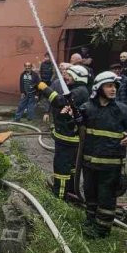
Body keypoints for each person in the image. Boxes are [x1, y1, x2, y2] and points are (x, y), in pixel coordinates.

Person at [79, 71, 127, 238]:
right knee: (90, 194)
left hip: (111, 165)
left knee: (106, 198)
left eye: (114, 86)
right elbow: (73, 126)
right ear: (99, 88)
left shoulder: (121, 110)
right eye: (109, 86)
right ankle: (90, 221)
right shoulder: (87, 109)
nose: (113, 89)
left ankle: (102, 230)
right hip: (89, 163)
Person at [36, 65, 90, 200]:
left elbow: (59, 101)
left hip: (68, 139)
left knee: (61, 169)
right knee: (71, 168)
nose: (66, 77)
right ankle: (71, 192)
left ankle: (59, 198)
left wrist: (44, 88)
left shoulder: (80, 91)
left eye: (69, 75)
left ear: (77, 77)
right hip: (67, 137)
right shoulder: (77, 90)